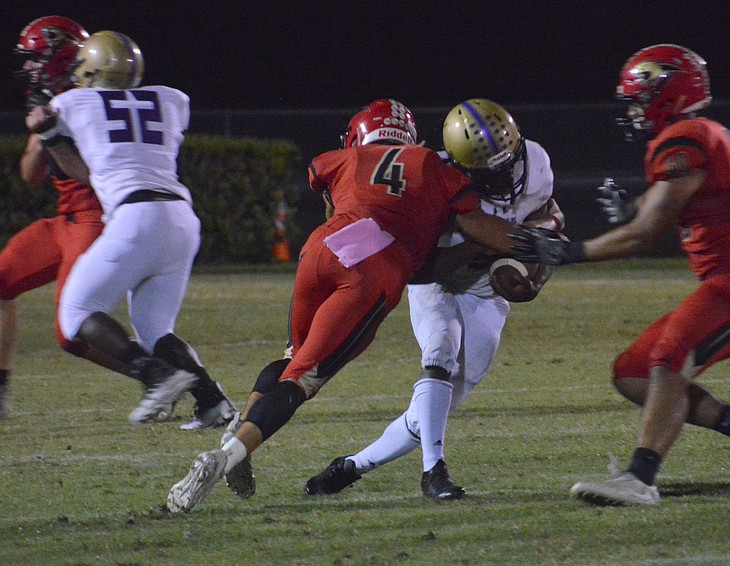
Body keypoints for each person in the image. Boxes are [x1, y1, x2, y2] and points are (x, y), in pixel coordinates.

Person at [166, 99, 537, 514]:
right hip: (371, 272)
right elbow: (464, 232)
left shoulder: (345, 158)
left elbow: (328, 193)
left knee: (291, 358)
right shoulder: (434, 168)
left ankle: (238, 438)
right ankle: (225, 457)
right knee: (304, 379)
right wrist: (543, 245)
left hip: (322, 250)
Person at [513, 44, 730, 506]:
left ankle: (641, 478)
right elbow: (672, 196)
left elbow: (645, 236)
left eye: (639, 99)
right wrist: (634, 206)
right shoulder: (699, 134)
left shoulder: (685, 139)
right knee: (633, 372)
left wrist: (569, 252)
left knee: (669, 356)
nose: (634, 111)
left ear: (667, 93)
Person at [304, 99, 562, 500]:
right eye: (488, 171)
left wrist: (534, 273)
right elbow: (423, 270)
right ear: (461, 166)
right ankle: (434, 472)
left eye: (507, 163)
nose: (502, 176)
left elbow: (548, 218)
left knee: (430, 412)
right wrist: (486, 243)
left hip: (485, 291)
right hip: (435, 280)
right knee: (439, 353)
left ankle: (352, 465)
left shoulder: (536, 161)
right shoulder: (430, 177)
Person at [24, 30, 235, 428]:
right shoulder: (171, 99)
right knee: (156, 329)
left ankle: (155, 376)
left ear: (91, 68)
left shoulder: (71, 102)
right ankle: (213, 402)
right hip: (180, 218)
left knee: (76, 311)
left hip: (135, 216)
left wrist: (46, 129)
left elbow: (71, 163)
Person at [1, 16, 128, 419]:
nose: (29, 67)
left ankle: (160, 376)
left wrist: (55, 131)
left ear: (60, 56)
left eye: (36, 58)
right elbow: (31, 176)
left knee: (70, 330)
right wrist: (42, 136)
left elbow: (100, 176)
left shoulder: (95, 99)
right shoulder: (53, 99)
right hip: (65, 220)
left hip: (96, 217)